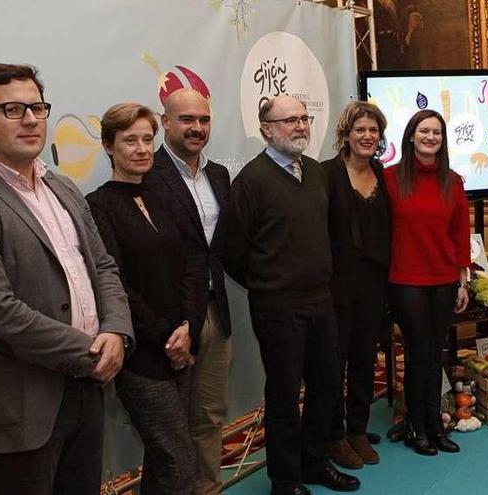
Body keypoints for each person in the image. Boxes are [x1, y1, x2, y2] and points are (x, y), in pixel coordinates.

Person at [0, 63, 133, 494]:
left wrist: (117, 331)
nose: (31, 119)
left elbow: (102, 266)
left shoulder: (63, 188)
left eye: (38, 107)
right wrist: (93, 351)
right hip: (18, 406)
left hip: (86, 390)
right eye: (11, 109)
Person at [225, 95, 359, 495]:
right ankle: (285, 479)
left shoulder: (317, 173)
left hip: (320, 300)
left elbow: (330, 235)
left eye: (304, 118)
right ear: (266, 129)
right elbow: (233, 252)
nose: (301, 126)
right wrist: (271, 283)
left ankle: (314, 463)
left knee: (326, 385)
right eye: (289, 120)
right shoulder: (251, 180)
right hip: (277, 306)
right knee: (284, 393)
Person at [86, 103, 201, 494]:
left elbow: (190, 263)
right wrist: (168, 337)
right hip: (143, 355)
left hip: (182, 345)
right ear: (108, 146)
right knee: (177, 457)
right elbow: (114, 283)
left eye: (147, 139)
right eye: (129, 140)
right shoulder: (98, 205)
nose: (141, 148)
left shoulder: (163, 194)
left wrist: (188, 327)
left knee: (164, 457)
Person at [143, 88, 232, 495]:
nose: (197, 128)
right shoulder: (148, 174)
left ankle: (208, 489)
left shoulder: (219, 175)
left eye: (204, 120)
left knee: (210, 415)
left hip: (216, 309)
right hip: (171, 320)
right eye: (186, 120)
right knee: (170, 428)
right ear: (165, 122)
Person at [383, 109, 469, 456]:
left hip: (445, 278)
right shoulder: (390, 178)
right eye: (424, 131)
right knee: (418, 353)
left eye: (437, 132)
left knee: (436, 354)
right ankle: (416, 426)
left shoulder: (454, 181)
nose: (431, 137)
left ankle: (435, 425)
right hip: (406, 280)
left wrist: (462, 279)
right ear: (411, 136)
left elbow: (460, 232)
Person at [321, 101, 391, 469]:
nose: (367, 136)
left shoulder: (382, 173)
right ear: (346, 135)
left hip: (375, 285)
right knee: (334, 364)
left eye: (373, 130)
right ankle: (334, 437)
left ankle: (357, 429)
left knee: (365, 358)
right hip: (334, 288)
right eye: (360, 129)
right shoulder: (325, 174)